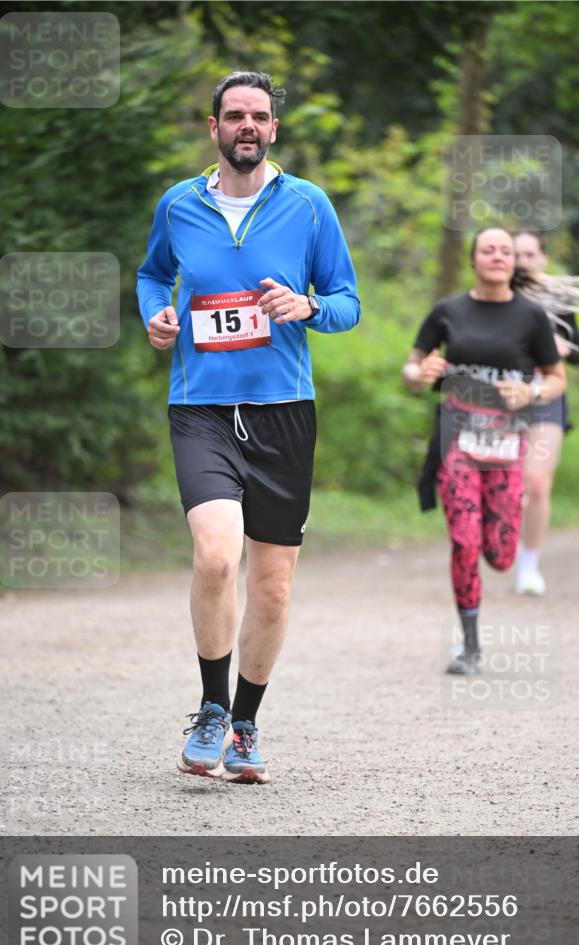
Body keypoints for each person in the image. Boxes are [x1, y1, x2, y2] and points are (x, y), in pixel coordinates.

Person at [136, 71, 360, 782]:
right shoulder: (178, 205)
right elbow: (151, 275)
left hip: (283, 413)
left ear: (272, 129)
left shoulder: (309, 206)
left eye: (258, 116)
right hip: (200, 408)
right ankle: (209, 707)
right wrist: (156, 314)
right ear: (213, 128)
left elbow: (347, 301)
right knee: (214, 556)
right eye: (233, 115)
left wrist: (307, 307)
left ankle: (245, 726)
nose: (246, 126)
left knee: (272, 586)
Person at [402, 228, 566, 675]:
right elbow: (411, 368)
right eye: (488, 249)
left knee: (500, 554)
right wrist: (420, 373)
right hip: (458, 441)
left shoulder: (531, 317)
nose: (497, 256)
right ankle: (470, 647)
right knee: (464, 539)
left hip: (508, 445)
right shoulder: (447, 311)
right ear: (473, 260)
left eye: (505, 251)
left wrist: (530, 393)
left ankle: (512, 518)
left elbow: (557, 378)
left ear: (515, 262)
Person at [512, 232, 579, 596]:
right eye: (518, 253)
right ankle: (504, 538)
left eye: (530, 253)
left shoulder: (559, 300)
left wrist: (563, 348)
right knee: (509, 484)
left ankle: (529, 565)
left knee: (538, 483)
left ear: (542, 258)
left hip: (548, 397)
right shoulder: (499, 295)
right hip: (503, 398)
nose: (523, 259)